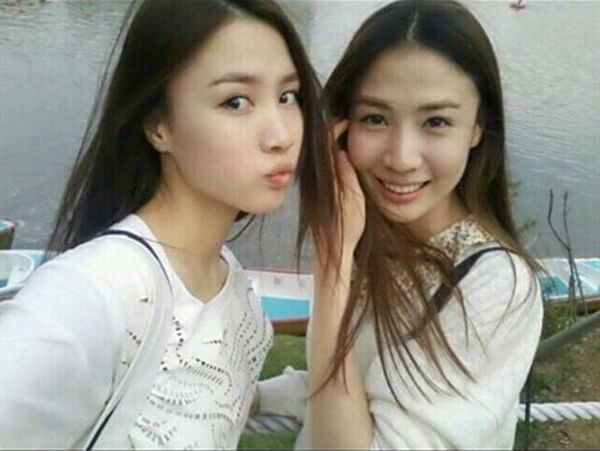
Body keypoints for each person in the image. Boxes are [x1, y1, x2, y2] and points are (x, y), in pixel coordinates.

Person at [0, 0, 334, 448]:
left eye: (287, 96)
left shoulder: (231, 288)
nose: (281, 136)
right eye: (236, 101)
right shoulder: (95, 293)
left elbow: (202, 407)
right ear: (158, 125)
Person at [258, 0, 543, 448]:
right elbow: (342, 388)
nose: (402, 158)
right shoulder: (372, 240)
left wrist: (332, 265)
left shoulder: (494, 287)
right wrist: (242, 397)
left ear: (477, 128)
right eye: (375, 118)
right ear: (342, 127)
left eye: (436, 121)